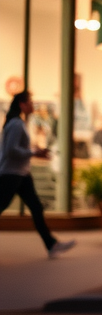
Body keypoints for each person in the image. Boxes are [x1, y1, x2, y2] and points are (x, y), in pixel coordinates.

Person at [0, 91, 76, 258]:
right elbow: (10, 150)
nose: (33, 105)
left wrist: (34, 153)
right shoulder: (16, 124)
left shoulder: (18, 123)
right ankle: (51, 244)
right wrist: (34, 153)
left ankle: (51, 244)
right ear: (22, 104)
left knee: (36, 207)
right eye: (30, 102)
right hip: (12, 174)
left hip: (21, 173)